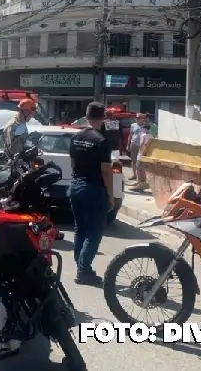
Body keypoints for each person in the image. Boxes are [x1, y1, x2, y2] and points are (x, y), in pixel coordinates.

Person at [68, 102, 115, 285]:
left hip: (75, 186)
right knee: (94, 233)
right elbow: (106, 171)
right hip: (93, 188)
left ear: (86, 117)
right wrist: (110, 195)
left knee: (80, 229)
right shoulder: (101, 141)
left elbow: (73, 163)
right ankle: (84, 270)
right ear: (102, 118)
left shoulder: (75, 137)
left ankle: (81, 266)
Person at [129, 124, 152, 191]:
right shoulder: (151, 135)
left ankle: (139, 182)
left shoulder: (143, 135)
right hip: (147, 154)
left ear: (145, 129)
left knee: (138, 167)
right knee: (143, 168)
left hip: (141, 153)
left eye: (143, 128)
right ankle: (143, 182)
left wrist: (140, 151)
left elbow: (141, 144)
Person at [128, 113, 146, 181]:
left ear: (142, 119)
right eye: (136, 118)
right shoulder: (133, 125)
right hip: (134, 144)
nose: (137, 119)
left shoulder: (145, 126)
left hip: (142, 146)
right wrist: (128, 145)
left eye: (138, 118)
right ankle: (134, 175)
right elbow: (130, 135)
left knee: (141, 162)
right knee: (133, 161)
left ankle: (141, 177)